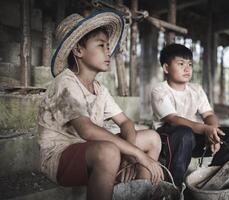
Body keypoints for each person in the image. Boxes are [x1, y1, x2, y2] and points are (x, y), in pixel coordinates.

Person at [38, 9, 163, 200]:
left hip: (92, 150)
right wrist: (137, 154)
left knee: (152, 138)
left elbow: (126, 123)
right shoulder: (65, 83)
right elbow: (87, 131)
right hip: (61, 157)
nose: (108, 51)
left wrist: (129, 155)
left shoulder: (99, 88)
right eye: (101, 45)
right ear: (78, 50)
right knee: (109, 151)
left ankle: (139, 194)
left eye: (108, 45)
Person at [151, 43, 229, 186]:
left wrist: (213, 132)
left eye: (190, 64)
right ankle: (173, 187)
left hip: (193, 136)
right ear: (166, 68)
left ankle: (214, 180)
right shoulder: (159, 90)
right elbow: (173, 119)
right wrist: (204, 129)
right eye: (181, 64)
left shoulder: (196, 89)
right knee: (184, 133)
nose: (187, 69)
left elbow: (208, 114)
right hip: (169, 138)